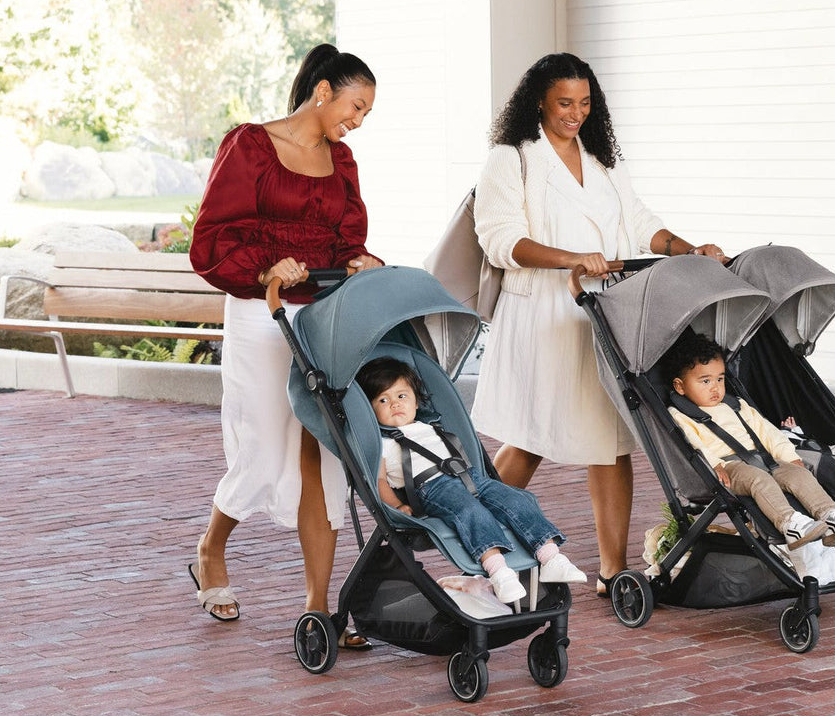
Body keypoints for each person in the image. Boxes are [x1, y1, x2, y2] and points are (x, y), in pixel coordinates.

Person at [470, 51, 726, 596]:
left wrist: (689, 249)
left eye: (585, 103)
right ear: (539, 101)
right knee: (531, 438)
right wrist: (572, 259)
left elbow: (639, 221)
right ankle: (476, 546)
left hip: (602, 313)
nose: (576, 114)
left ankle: (613, 572)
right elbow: (499, 239)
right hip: (542, 317)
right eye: (564, 103)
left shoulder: (601, 157)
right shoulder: (511, 159)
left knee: (609, 439)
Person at [187, 43, 383, 643]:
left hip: (322, 313)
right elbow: (211, 238)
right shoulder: (249, 145)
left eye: (366, 113)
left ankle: (319, 607)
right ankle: (210, 548)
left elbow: (347, 235)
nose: (359, 120)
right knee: (263, 449)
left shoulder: (342, 161)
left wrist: (360, 259)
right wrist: (267, 266)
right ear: (323, 92)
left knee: (323, 451)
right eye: (355, 106)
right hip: (260, 311)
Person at [356, 357, 587, 604]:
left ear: (415, 400)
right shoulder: (384, 443)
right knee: (471, 512)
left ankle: (551, 556)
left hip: (470, 475)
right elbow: (380, 481)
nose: (394, 404)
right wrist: (397, 505)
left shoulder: (430, 425)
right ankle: (498, 571)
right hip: (433, 487)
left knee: (517, 499)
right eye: (383, 400)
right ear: (371, 410)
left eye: (402, 396)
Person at [664, 331, 835, 549]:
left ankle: (832, 516)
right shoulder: (681, 415)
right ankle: (790, 523)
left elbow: (768, 432)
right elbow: (694, 444)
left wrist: (788, 456)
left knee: (799, 474)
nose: (715, 387)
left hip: (764, 458)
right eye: (705, 381)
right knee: (758, 479)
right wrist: (714, 465)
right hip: (729, 468)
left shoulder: (736, 405)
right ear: (680, 386)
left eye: (720, 379)